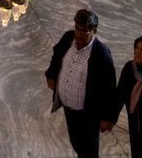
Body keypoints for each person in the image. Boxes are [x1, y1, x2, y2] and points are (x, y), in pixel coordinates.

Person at [45, 9, 119, 158]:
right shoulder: (68, 38)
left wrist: (107, 118)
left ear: (94, 31)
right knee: (77, 144)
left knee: (89, 150)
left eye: (84, 31)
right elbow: (57, 56)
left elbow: (110, 88)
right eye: (77, 29)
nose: (78, 34)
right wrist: (51, 74)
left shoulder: (101, 54)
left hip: (88, 114)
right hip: (69, 109)